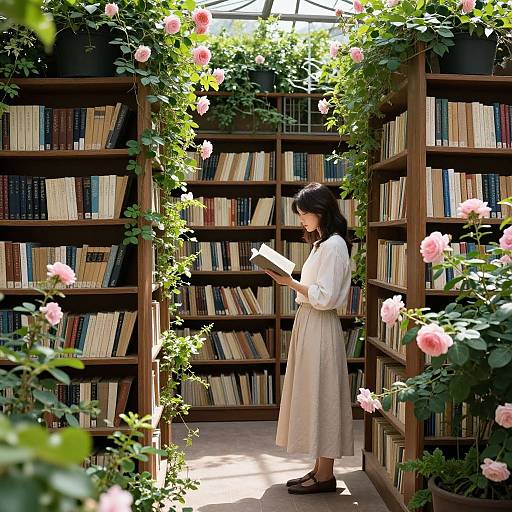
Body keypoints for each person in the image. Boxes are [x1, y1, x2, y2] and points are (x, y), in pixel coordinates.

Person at [265, 182, 354, 495]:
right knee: (316, 392)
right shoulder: (322, 243)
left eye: (304, 213)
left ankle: (326, 475)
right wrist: (293, 282)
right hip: (311, 323)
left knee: (324, 394)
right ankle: (320, 469)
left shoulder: (333, 246)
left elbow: (326, 297)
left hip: (320, 323)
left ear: (321, 211)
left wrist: (290, 283)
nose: (301, 219)